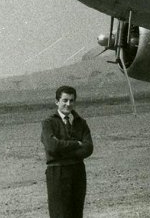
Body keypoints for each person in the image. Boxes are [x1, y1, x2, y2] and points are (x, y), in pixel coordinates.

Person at [41, 85, 93, 218]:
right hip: (57, 173)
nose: (68, 104)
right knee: (60, 214)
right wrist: (76, 143)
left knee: (76, 213)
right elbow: (52, 146)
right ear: (57, 102)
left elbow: (88, 148)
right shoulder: (49, 123)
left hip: (77, 172)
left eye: (71, 100)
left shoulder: (81, 123)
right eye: (64, 100)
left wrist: (62, 150)